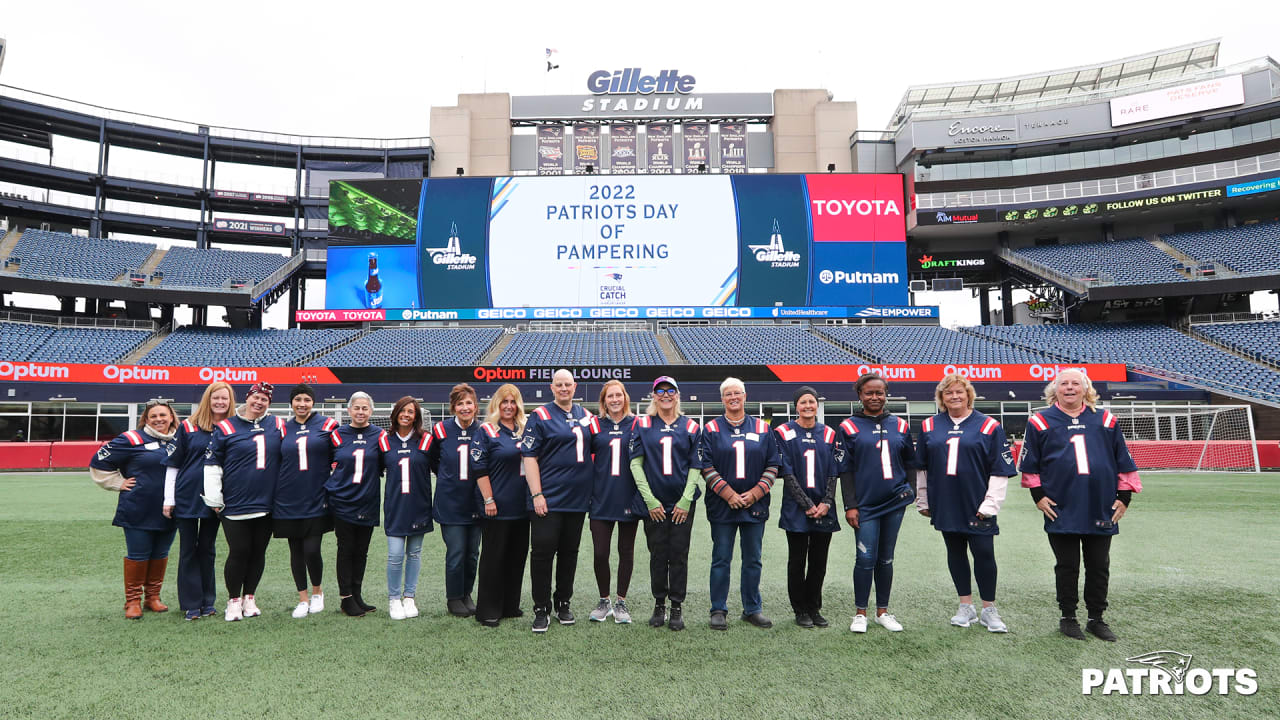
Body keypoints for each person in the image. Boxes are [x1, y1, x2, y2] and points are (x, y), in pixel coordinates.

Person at [1018, 368, 1142, 642]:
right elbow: (1030, 466)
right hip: (1061, 505)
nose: (1070, 388)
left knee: (1099, 564)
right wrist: (1038, 496)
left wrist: (1124, 497)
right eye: (1064, 384)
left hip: (1100, 504)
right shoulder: (1039, 421)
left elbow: (1123, 459)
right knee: (1067, 564)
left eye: (1076, 383)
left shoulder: (1106, 420)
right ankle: (1068, 616)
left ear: (1086, 389)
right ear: (1055, 389)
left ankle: (1097, 618)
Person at [915, 374, 1017, 633]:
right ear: (941, 398)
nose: (954, 397)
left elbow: (1000, 469)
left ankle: (989, 609)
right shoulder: (929, 426)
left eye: (959, 392)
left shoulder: (989, 426)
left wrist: (990, 503)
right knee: (955, 553)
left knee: (984, 553)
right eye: (948, 393)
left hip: (977, 502)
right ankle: (965, 606)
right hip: (946, 501)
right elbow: (922, 468)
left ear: (969, 395)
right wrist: (923, 499)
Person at [837, 373, 917, 634]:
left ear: (886, 394)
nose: (874, 397)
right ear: (859, 395)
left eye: (879, 393)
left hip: (894, 501)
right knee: (865, 557)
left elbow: (910, 463)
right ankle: (860, 612)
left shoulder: (901, 425)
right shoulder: (848, 427)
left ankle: (882, 611)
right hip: (866, 504)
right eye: (869, 393)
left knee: (886, 558)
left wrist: (911, 492)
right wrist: (851, 504)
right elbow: (845, 470)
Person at [698, 377, 781, 630]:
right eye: (728, 394)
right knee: (721, 558)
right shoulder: (711, 429)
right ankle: (718, 609)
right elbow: (706, 466)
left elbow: (773, 465)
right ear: (722, 399)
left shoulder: (763, 429)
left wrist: (756, 493)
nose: (733, 397)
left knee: (753, 559)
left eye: (738, 393)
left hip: (755, 505)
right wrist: (728, 494)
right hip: (723, 505)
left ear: (745, 396)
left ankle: (752, 608)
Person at [203, 382, 286, 622]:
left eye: (264, 400)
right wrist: (214, 496)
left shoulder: (277, 424)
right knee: (238, 551)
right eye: (256, 397)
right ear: (247, 398)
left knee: (258, 552)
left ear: (269, 404)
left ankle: (250, 597)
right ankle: (233, 600)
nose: (259, 402)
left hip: (267, 502)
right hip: (236, 502)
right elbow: (212, 463)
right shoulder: (227, 426)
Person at [521, 369, 597, 633]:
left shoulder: (587, 417)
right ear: (551, 388)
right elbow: (529, 456)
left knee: (569, 553)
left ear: (575, 387)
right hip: (548, 499)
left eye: (568, 384)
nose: (564, 388)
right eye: (559, 385)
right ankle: (541, 607)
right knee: (542, 553)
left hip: (577, 500)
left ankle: (563, 601)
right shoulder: (540, 416)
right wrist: (537, 494)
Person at [90, 399, 179, 619]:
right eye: (153, 416)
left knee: (160, 553)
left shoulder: (179, 439)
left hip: (170, 509)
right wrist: (118, 483)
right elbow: (98, 461)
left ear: (171, 417)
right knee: (138, 554)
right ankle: (132, 601)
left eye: (163, 415)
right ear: (146, 420)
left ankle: (153, 597)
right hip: (138, 507)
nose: (159, 419)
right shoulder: (132, 438)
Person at [628, 376, 700, 631]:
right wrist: (650, 500)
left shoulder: (691, 426)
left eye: (671, 390)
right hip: (654, 504)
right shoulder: (643, 424)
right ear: (654, 395)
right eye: (661, 391)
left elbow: (696, 466)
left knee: (679, 555)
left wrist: (685, 500)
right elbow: (636, 464)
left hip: (682, 504)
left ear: (678, 395)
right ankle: (659, 604)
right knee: (658, 554)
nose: (666, 395)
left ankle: (677, 606)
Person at [164, 382, 234, 620]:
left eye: (224, 398)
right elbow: (173, 465)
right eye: (216, 398)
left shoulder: (232, 427)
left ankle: (208, 601)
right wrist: (168, 499)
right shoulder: (188, 426)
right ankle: (191, 603)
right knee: (188, 550)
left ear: (230, 401)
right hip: (187, 496)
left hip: (215, 498)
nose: (220, 402)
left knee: (208, 549)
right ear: (208, 399)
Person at [774, 386, 841, 629]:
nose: (808, 406)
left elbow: (834, 471)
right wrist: (806, 504)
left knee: (819, 562)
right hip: (796, 508)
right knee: (797, 560)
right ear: (796, 406)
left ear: (817, 405)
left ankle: (814, 607)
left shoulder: (829, 434)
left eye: (811, 402)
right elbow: (787, 472)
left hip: (824, 507)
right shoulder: (783, 432)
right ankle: (799, 609)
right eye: (803, 402)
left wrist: (826, 502)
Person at [275, 384, 338, 619]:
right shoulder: (281, 428)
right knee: (296, 551)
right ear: (291, 403)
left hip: (317, 496)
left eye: (307, 400)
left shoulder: (327, 425)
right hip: (288, 498)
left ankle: (317, 592)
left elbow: (340, 457)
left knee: (312, 549)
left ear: (313, 403)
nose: (302, 404)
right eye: (298, 399)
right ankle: (302, 598)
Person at [326, 391, 390, 617]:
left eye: (365, 408)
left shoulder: (380, 435)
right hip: (343, 501)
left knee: (361, 551)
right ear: (349, 410)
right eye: (357, 408)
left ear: (371, 411)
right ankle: (346, 598)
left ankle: (357, 594)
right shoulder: (337, 434)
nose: (360, 412)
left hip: (368, 500)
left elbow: (387, 462)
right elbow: (324, 463)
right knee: (346, 550)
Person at [472, 384, 531, 627]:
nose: (508, 406)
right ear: (497, 404)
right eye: (504, 401)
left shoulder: (525, 430)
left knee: (517, 557)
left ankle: (509, 605)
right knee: (493, 558)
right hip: (496, 506)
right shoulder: (486, 431)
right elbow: (479, 468)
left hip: (522, 506)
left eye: (513, 401)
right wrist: (488, 499)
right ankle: (488, 610)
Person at [586, 379, 642, 624]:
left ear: (625, 397)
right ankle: (604, 600)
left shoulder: (638, 424)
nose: (615, 400)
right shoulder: (594, 426)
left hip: (628, 497)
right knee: (600, 553)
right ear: (604, 400)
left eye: (619, 395)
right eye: (610, 396)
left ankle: (621, 602)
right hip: (601, 498)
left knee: (626, 551)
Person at [427, 383, 483, 617]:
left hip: (476, 501)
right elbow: (432, 460)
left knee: (472, 554)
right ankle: (453, 598)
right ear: (453, 407)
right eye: (460, 403)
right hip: (450, 502)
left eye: (469, 403)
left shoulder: (483, 430)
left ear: (475, 406)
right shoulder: (440, 430)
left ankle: (467, 594)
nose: (465, 407)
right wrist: (448, 478)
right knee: (457, 552)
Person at [383, 396, 433, 621]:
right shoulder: (385, 440)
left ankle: (409, 597)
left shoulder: (426, 440)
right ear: (395, 414)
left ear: (417, 416)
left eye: (411, 412)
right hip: (395, 506)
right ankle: (394, 599)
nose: (406, 415)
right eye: (402, 411)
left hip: (418, 505)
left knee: (414, 553)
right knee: (394, 555)